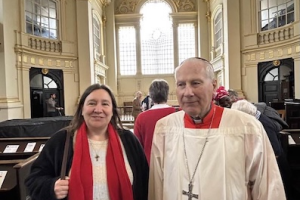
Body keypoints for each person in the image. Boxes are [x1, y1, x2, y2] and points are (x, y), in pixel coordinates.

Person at [148, 57, 286, 200]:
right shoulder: (164, 128)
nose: (188, 92)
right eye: (181, 84)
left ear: (213, 85)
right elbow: (157, 187)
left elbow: (268, 189)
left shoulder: (247, 127)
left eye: (195, 83)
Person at [25, 84, 149, 200]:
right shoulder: (61, 140)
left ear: (112, 111)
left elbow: (145, 181)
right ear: (82, 109)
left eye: (105, 104)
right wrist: (51, 187)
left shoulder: (128, 140)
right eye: (92, 103)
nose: (98, 109)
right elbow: (33, 181)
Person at [134, 79, 176, 164]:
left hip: (149, 164)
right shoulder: (177, 113)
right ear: (167, 95)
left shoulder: (141, 118)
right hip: (174, 163)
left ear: (151, 96)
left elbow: (137, 147)